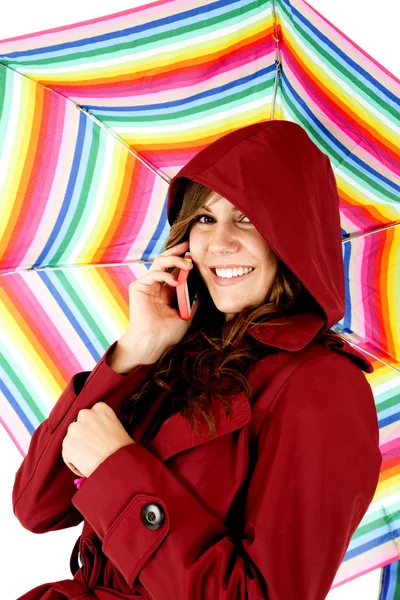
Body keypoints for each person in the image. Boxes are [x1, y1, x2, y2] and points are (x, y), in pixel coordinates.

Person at [12, 120, 382, 600]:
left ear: (293, 236)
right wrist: (133, 354)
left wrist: (115, 470)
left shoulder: (323, 385)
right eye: (204, 218)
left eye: (247, 217)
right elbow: (36, 506)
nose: (218, 242)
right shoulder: (174, 351)